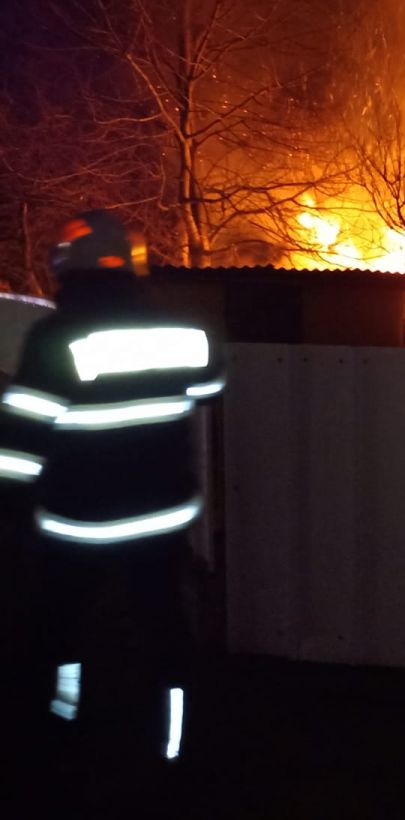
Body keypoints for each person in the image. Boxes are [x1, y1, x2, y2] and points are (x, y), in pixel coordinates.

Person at [0, 210, 223, 790]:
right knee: (165, 628)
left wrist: (9, 503)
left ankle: (61, 728)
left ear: (66, 266)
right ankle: (176, 746)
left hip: (82, 520)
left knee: (58, 626)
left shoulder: (55, 338)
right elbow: (208, 386)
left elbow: (21, 440)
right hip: (162, 515)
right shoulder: (183, 332)